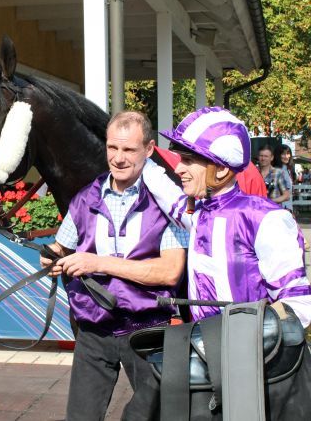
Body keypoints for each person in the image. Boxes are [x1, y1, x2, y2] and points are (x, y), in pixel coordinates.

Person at [142, 106, 311, 418]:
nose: (179, 168)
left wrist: (234, 339)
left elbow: (299, 305)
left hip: (258, 373)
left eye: (189, 160)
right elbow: (170, 198)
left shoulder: (266, 219)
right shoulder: (199, 213)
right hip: (205, 363)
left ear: (220, 170)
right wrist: (141, 159)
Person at [40, 111, 189, 421]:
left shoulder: (166, 202)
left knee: (152, 416)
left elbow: (169, 272)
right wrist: (52, 257)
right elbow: (60, 247)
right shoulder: (85, 198)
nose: (118, 158)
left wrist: (98, 263)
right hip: (94, 328)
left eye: (129, 150)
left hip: (148, 328)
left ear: (148, 150)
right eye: (112, 148)